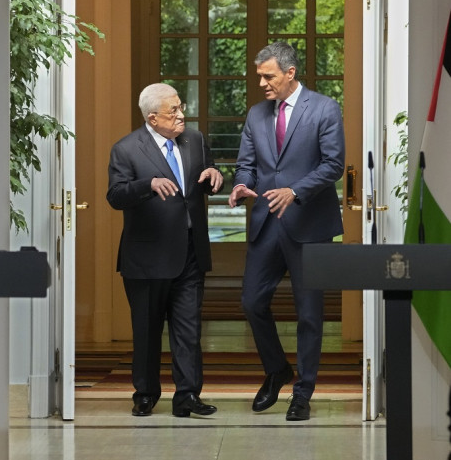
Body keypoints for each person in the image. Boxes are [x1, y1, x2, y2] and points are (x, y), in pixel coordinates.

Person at [228, 41, 345, 421]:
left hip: (310, 225)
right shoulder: (256, 114)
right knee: (251, 302)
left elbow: (333, 165)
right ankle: (277, 369)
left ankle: (303, 393)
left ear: (290, 73)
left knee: (310, 314)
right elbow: (246, 165)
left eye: (268, 76)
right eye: (259, 76)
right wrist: (242, 185)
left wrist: (295, 191)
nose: (261, 83)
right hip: (266, 224)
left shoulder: (325, 108)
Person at [107, 82, 223, 417]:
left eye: (180, 107)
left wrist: (216, 173)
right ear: (153, 117)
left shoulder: (195, 140)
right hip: (146, 258)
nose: (181, 114)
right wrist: (148, 185)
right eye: (173, 110)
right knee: (147, 329)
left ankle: (187, 396)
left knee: (188, 330)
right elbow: (115, 196)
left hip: (189, 252)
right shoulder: (126, 149)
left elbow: (209, 175)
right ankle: (145, 393)